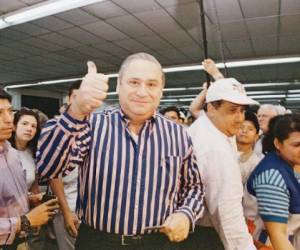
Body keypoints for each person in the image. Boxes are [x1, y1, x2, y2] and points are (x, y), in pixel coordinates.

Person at [36, 53, 204, 250]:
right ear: (118, 86)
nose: (142, 92)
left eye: (151, 84)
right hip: (99, 242)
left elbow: (194, 187)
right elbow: (48, 169)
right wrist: (76, 111)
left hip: (158, 243)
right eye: (134, 82)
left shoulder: (178, 134)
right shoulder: (91, 124)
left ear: (161, 90)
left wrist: (186, 214)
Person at [188, 77, 259, 250]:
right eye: (232, 110)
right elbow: (228, 214)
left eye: (242, 110)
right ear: (211, 108)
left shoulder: (205, 127)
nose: (240, 118)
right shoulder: (215, 148)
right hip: (204, 236)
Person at [0, 89, 59, 250]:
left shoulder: (10, 152)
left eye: (10, 111)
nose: (8, 120)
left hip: (18, 238)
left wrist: (30, 200)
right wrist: (26, 221)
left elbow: (10, 196)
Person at [246, 114, 300, 250]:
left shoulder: (292, 162)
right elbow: (277, 235)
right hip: (271, 244)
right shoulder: (272, 178)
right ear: (277, 143)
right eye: (296, 145)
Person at [50, 80, 82, 250]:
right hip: (67, 207)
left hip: (92, 212)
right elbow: (54, 177)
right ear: (69, 99)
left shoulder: (97, 129)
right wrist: (67, 212)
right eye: (76, 97)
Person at [9, 108, 41, 194]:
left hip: (27, 206)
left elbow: (35, 188)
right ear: (14, 127)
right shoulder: (4, 152)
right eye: (24, 124)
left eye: (33, 126)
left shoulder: (33, 153)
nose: (29, 129)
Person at [236, 111, 261, 185]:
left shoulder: (256, 163)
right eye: (241, 127)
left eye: (250, 129)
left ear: (256, 136)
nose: (244, 131)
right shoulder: (226, 154)